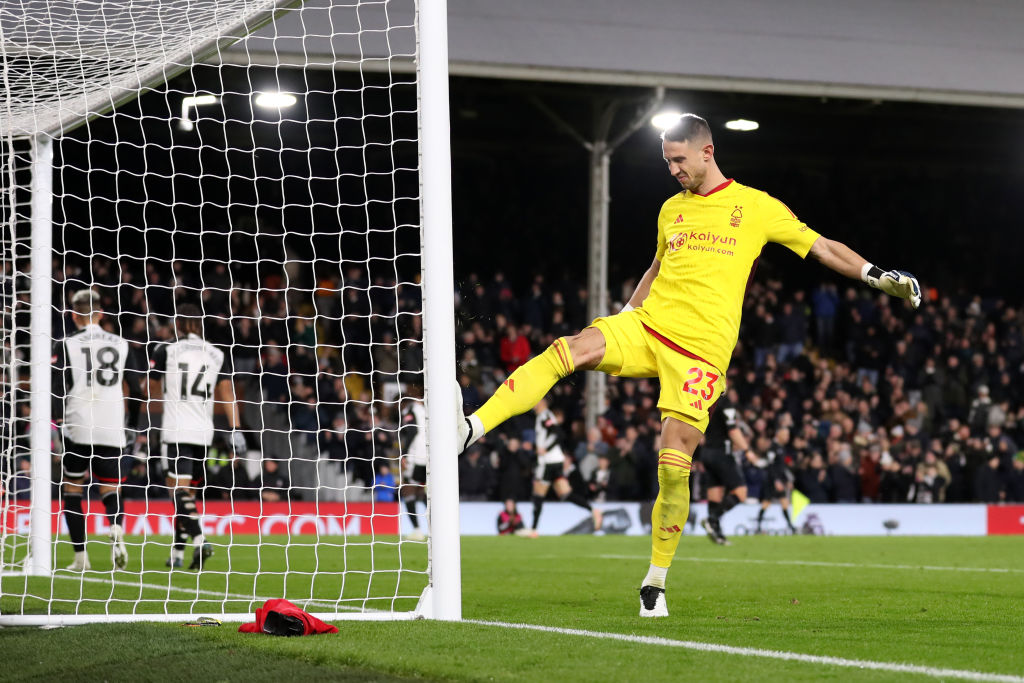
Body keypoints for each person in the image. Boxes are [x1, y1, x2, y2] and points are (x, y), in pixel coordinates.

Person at [456, 113, 921, 617]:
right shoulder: (670, 210)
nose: (672, 170)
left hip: (701, 354)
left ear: (707, 151)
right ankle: (471, 428)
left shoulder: (756, 207)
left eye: (678, 160)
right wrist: (625, 317)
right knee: (568, 349)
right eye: (666, 161)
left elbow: (823, 247)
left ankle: (655, 582)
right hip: (650, 325)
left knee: (674, 466)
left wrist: (877, 276)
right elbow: (657, 267)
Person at [148, 303, 244, 570]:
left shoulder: (165, 349)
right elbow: (227, 393)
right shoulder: (216, 354)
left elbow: (151, 387)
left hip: (176, 429)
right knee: (188, 494)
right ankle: (177, 554)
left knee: (177, 491)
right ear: (201, 325)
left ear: (178, 324)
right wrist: (236, 429)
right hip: (204, 433)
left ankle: (200, 539)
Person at [54, 289, 145, 571]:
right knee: (110, 487)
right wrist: (131, 422)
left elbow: (59, 389)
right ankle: (116, 529)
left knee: (72, 489)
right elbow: (137, 388)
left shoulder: (66, 344)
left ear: (73, 315)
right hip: (112, 425)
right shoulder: (121, 344)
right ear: (101, 314)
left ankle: (81, 558)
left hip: (78, 424)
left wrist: (58, 424)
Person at [523, 398, 602, 537]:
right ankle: (593, 510)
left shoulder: (544, 416)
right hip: (556, 460)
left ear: (542, 403)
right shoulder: (545, 416)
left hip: (548, 462)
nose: (533, 405)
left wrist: (544, 449)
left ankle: (533, 530)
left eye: (536, 402)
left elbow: (559, 434)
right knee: (565, 494)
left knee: (538, 494)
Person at [698, 391, 753, 546]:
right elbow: (733, 430)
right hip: (721, 453)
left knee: (715, 495)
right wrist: (747, 450)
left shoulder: (707, 401)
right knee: (741, 492)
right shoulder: (725, 402)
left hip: (707, 452)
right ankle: (711, 519)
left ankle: (718, 535)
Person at [399, 389, 428, 540]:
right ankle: (436, 526)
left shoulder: (409, 409)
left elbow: (412, 431)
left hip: (416, 457)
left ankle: (417, 530)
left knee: (407, 490)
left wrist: (404, 453)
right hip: (428, 457)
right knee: (420, 491)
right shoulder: (424, 409)